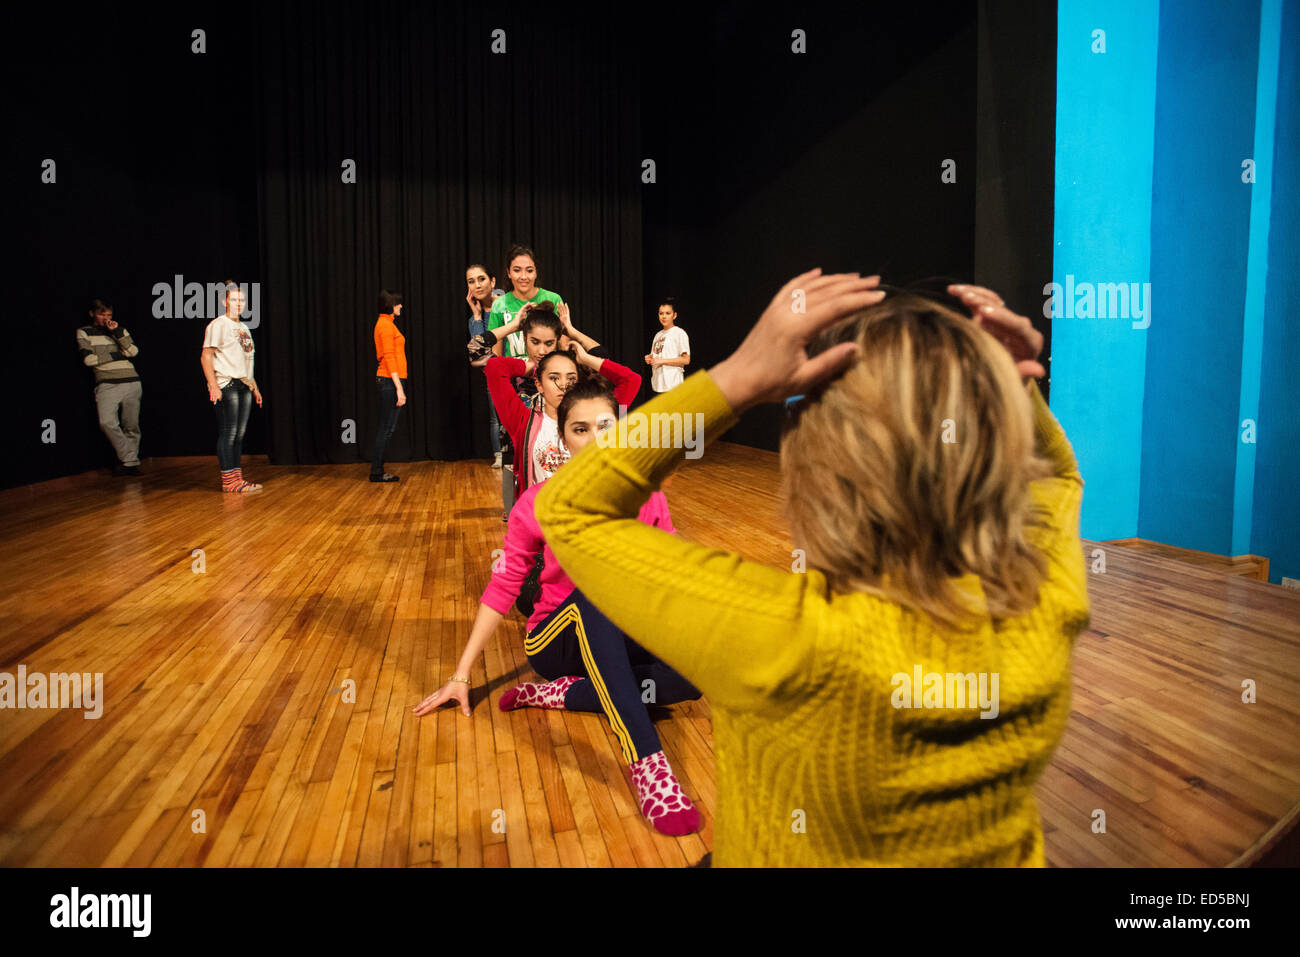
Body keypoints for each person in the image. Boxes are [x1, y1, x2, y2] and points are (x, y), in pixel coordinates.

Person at [537, 270, 1091, 866]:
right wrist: (1018, 397)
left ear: (814, 464)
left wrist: (738, 380)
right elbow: (1058, 478)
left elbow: (570, 509)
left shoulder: (779, 635)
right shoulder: (1045, 596)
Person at [412, 377, 703, 836]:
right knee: (598, 589)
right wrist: (460, 675)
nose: (595, 439)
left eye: (605, 426)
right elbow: (504, 586)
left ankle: (562, 694)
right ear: (563, 436)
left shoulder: (647, 495)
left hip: (620, 628)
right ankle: (649, 764)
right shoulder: (537, 503)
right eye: (581, 429)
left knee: (690, 677)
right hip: (556, 636)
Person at [484, 329, 638, 508]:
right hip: (541, 525)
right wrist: (532, 366)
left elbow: (630, 380)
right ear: (539, 385)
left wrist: (586, 359)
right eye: (554, 377)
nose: (563, 384)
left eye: (571, 378)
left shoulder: (599, 419)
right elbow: (495, 368)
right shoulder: (523, 422)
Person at [201, 282, 262, 493]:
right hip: (227, 383)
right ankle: (229, 481)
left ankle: (238, 479)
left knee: (239, 434)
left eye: (242, 300)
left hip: (244, 384)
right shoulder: (218, 325)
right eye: (234, 300)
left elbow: (246, 359)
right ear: (224, 301)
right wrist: (213, 385)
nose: (238, 304)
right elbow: (206, 355)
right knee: (229, 432)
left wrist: (254, 386)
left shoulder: (243, 328)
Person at [76, 298, 142, 475]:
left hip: (131, 380)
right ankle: (130, 457)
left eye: (109, 314)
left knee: (131, 425)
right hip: (107, 383)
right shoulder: (84, 332)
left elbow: (133, 352)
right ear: (92, 314)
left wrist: (117, 333)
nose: (106, 318)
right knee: (107, 422)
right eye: (101, 314)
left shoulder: (119, 330)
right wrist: (116, 355)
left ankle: (130, 464)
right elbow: (89, 359)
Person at [465, 263, 506, 468]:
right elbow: (479, 350)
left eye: (481, 279)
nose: (477, 285)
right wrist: (477, 315)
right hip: (493, 373)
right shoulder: (475, 317)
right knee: (494, 416)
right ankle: (498, 454)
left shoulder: (506, 305)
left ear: (493, 281)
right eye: (471, 281)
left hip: (514, 369)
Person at [371, 289, 408, 482]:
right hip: (389, 380)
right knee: (386, 428)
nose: (400, 306)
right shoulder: (385, 325)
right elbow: (389, 357)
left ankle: (377, 469)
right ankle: (376, 471)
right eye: (397, 304)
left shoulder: (388, 324)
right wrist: (399, 388)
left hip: (391, 380)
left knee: (388, 428)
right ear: (390, 306)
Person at [645, 297, 691, 393]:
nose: (664, 316)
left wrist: (662, 361)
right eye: (661, 313)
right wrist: (650, 359)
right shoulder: (658, 335)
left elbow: (686, 360)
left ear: (674, 315)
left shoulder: (679, 333)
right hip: (657, 385)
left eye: (667, 313)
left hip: (673, 386)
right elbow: (657, 357)